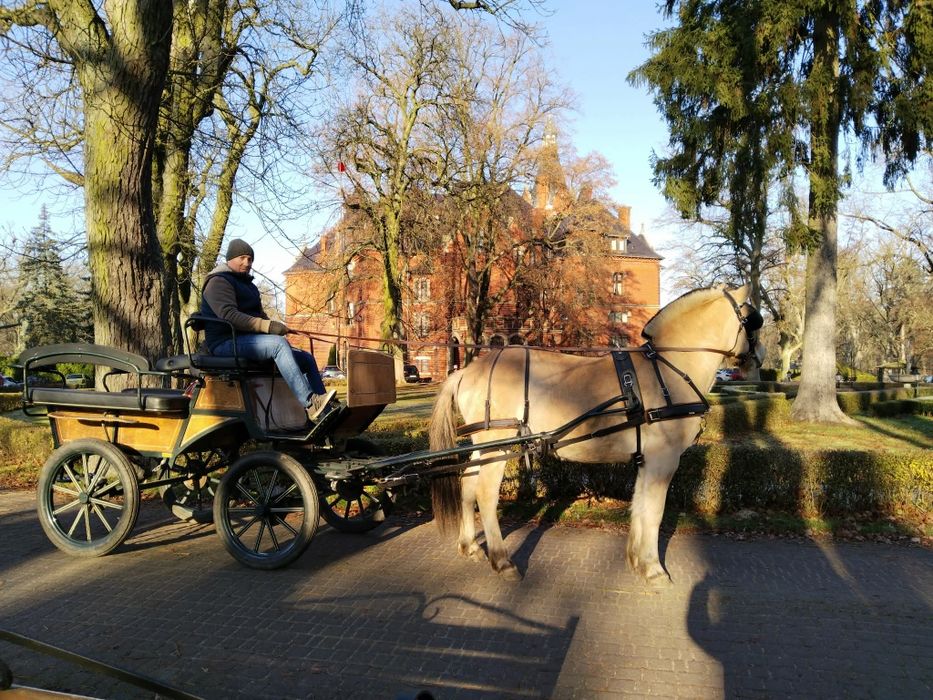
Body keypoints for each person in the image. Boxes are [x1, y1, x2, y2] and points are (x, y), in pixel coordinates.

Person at [200, 238, 338, 426]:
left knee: (306, 358)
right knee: (278, 345)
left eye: (250, 259)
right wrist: (267, 327)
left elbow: (260, 315)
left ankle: (325, 410)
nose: (247, 263)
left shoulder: (249, 286)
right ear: (230, 258)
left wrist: (275, 326)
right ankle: (310, 403)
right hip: (224, 342)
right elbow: (229, 316)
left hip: (247, 341)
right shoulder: (218, 281)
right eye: (242, 258)